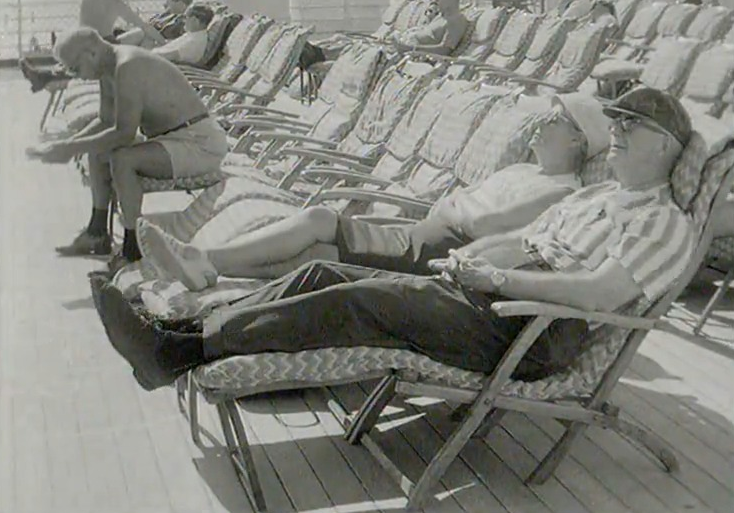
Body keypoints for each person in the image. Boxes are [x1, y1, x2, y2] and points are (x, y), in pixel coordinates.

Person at [100, 87, 696, 391]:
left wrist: (497, 278)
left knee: (355, 301)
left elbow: (596, 293)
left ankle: (177, 356)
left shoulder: (664, 223)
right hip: (487, 296)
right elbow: (519, 241)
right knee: (321, 274)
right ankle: (184, 328)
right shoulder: (593, 197)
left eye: (630, 125)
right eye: (613, 121)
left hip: (533, 330)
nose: (615, 131)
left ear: (666, 146)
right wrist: (468, 261)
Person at [138, 93, 611, 289]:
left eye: (554, 119)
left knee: (321, 218)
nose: (539, 125)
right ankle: (208, 273)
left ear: (577, 140)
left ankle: (206, 260)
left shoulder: (560, 190)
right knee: (316, 255)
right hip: (428, 233)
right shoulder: (525, 173)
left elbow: (481, 222)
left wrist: (456, 205)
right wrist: (456, 205)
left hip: (443, 252)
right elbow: (462, 205)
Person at [25, 27, 230, 268]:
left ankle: (133, 248)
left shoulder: (128, 66)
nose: (75, 76)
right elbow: (106, 121)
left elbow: (123, 133)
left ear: (91, 53)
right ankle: (97, 233)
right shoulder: (108, 68)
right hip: (170, 139)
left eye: (74, 68)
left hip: (198, 142)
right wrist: (67, 144)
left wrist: (70, 148)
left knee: (123, 158)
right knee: (98, 151)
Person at [18, 0, 167, 93]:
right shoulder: (116, 4)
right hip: (105, 44)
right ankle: (139, 69)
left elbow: (83, 27)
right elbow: (143, 26)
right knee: (141, 33)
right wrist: (163, 42)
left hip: (83, 42)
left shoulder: (86, 0)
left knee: (82, 58)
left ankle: (44, 76)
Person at [390, 0, 469, 56]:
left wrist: (411, 48)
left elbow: (444, 50)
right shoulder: (441, 16)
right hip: (405, 45)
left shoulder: (456, 20)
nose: (436, 0)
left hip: (415, 56)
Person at [117, 0, 194, 47]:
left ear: (181, 4)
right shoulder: (163, 16)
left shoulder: (184, 20)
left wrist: (162, 41)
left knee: (143, 34)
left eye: (171, 1)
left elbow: (182, 40)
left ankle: (113, 46)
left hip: (159, 44)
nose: (167, 4)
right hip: (148, 40)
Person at [149, 2, 213, 64]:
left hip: (163, 66)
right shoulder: (193, 35)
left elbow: (170, 56)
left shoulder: (195, 42)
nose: (184, 21)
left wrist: (147, 53)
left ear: (195, 21)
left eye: (186, 17)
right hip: (160, 57)